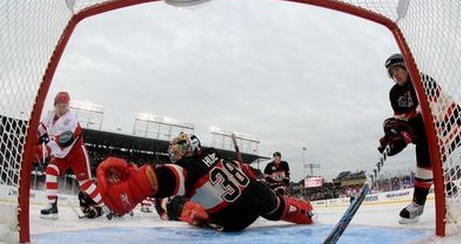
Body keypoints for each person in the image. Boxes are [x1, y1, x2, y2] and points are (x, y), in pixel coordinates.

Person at [96, 132, 315, 231]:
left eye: (180, 147)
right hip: (256, 201)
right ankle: (298, 211)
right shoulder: (215, 155)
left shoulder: (188, 168)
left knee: (175, 203)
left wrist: (137, 184)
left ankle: (193, 215)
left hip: (230, 220)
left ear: (191, 145)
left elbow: (168, 177)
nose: (177, 152)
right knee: (267, 198)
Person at [378, 54, 461, 224]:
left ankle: (418, 203)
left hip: (452, 122)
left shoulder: (422, 80)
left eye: (397, 69)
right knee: (429, 155)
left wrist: (407, 132)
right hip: (428, 129)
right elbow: (402, 120)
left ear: (406, 67)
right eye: (392, 72)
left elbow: (428, 114)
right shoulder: (395, 93)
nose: (395, 74)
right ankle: (453, 193)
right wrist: (394, 135)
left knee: (427, 151)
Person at [35, 91, 106, 219]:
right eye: (59, 105)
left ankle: (105, 206)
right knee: (50, 170)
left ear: (68, 106)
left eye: (64, 106)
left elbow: (63, 141)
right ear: (55, 105)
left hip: (76, 153)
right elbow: (41, 128)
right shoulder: (50, 114)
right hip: (61, 155)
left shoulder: (70, 120)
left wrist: (44, 150)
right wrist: (34, 137)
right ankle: (52, 206)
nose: (61, 108)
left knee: (86, 184)